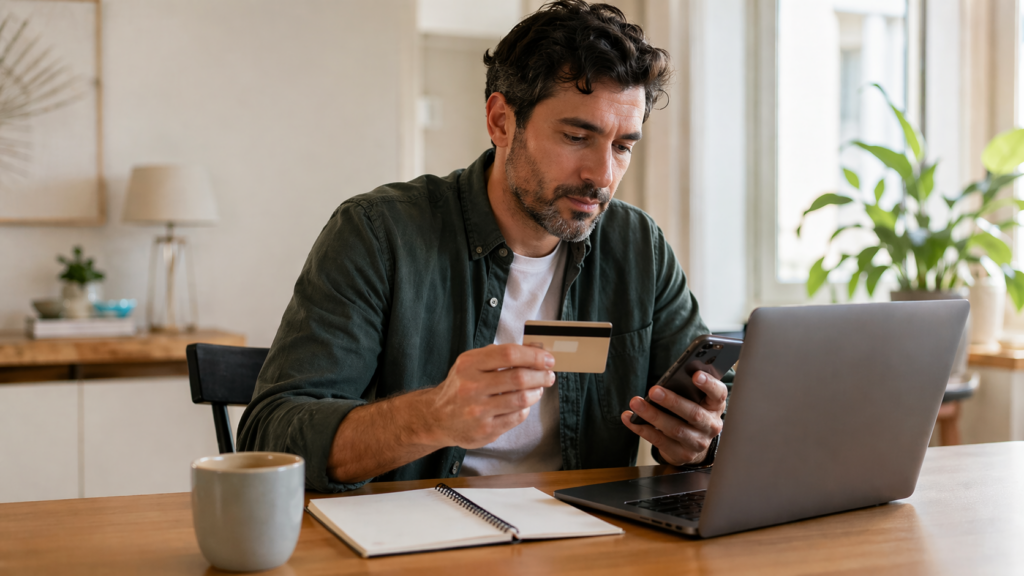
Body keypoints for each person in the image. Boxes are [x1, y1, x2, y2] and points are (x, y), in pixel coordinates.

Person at [237, 0, 728, 493]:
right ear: (501, 122)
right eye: (578, 136)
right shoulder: (378, 233)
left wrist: (697, 441)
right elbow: (271, 438)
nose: (603, 175)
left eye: (623, 146)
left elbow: (709, 411)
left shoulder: (639, 246)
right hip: (415, 541)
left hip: (587, 539)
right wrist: (433, 416)